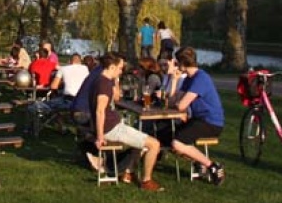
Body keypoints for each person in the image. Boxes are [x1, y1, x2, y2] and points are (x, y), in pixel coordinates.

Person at [90, 52, 163, 192]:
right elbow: (100, 111)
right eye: (119, 68)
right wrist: (100, 137)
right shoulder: (104, 84)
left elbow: (117, 97)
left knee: (140, 142)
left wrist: (116, 79)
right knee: (154, 144)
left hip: (113, 125)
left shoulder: (102, 79)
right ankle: (147, 181)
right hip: (111, 129)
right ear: (111, 67)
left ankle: (128, 173)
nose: (121, 71)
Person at [161, 47, 226, 185]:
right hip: (197, 120)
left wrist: (177, 103)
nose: (176, 65)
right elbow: (172, 101)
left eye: (177, 63)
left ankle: (212, 166)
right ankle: (200, 162)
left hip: (211, 122)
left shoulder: (200, 78)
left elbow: (181, 105)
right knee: (166, 136)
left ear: (183, 64)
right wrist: (174, 79)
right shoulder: (189, 79)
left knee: (177, 143)